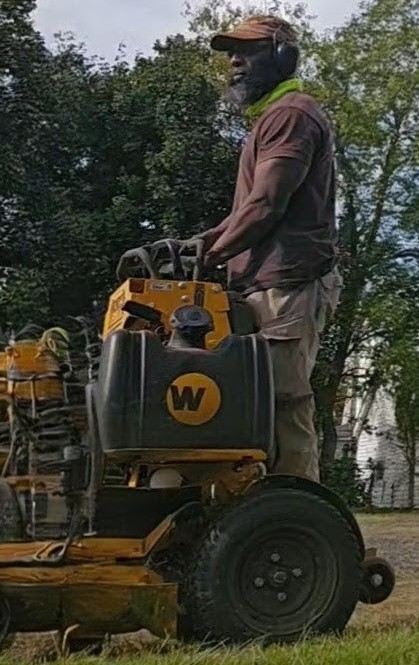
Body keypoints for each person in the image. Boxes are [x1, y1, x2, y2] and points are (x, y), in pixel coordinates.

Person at [193, 15, 342, 482]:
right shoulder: (273, 119)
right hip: (262, 284)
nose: (235, 61)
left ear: (283, 57)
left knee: (281, 399)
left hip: (288, 283)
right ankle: (256, 506)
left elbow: (266, 205)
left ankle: (296, 509)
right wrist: (198, 243)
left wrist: (208, 256)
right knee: (250, 403)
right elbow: (248, 209)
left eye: (248, 51)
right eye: (231, 53)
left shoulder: (291, 115)